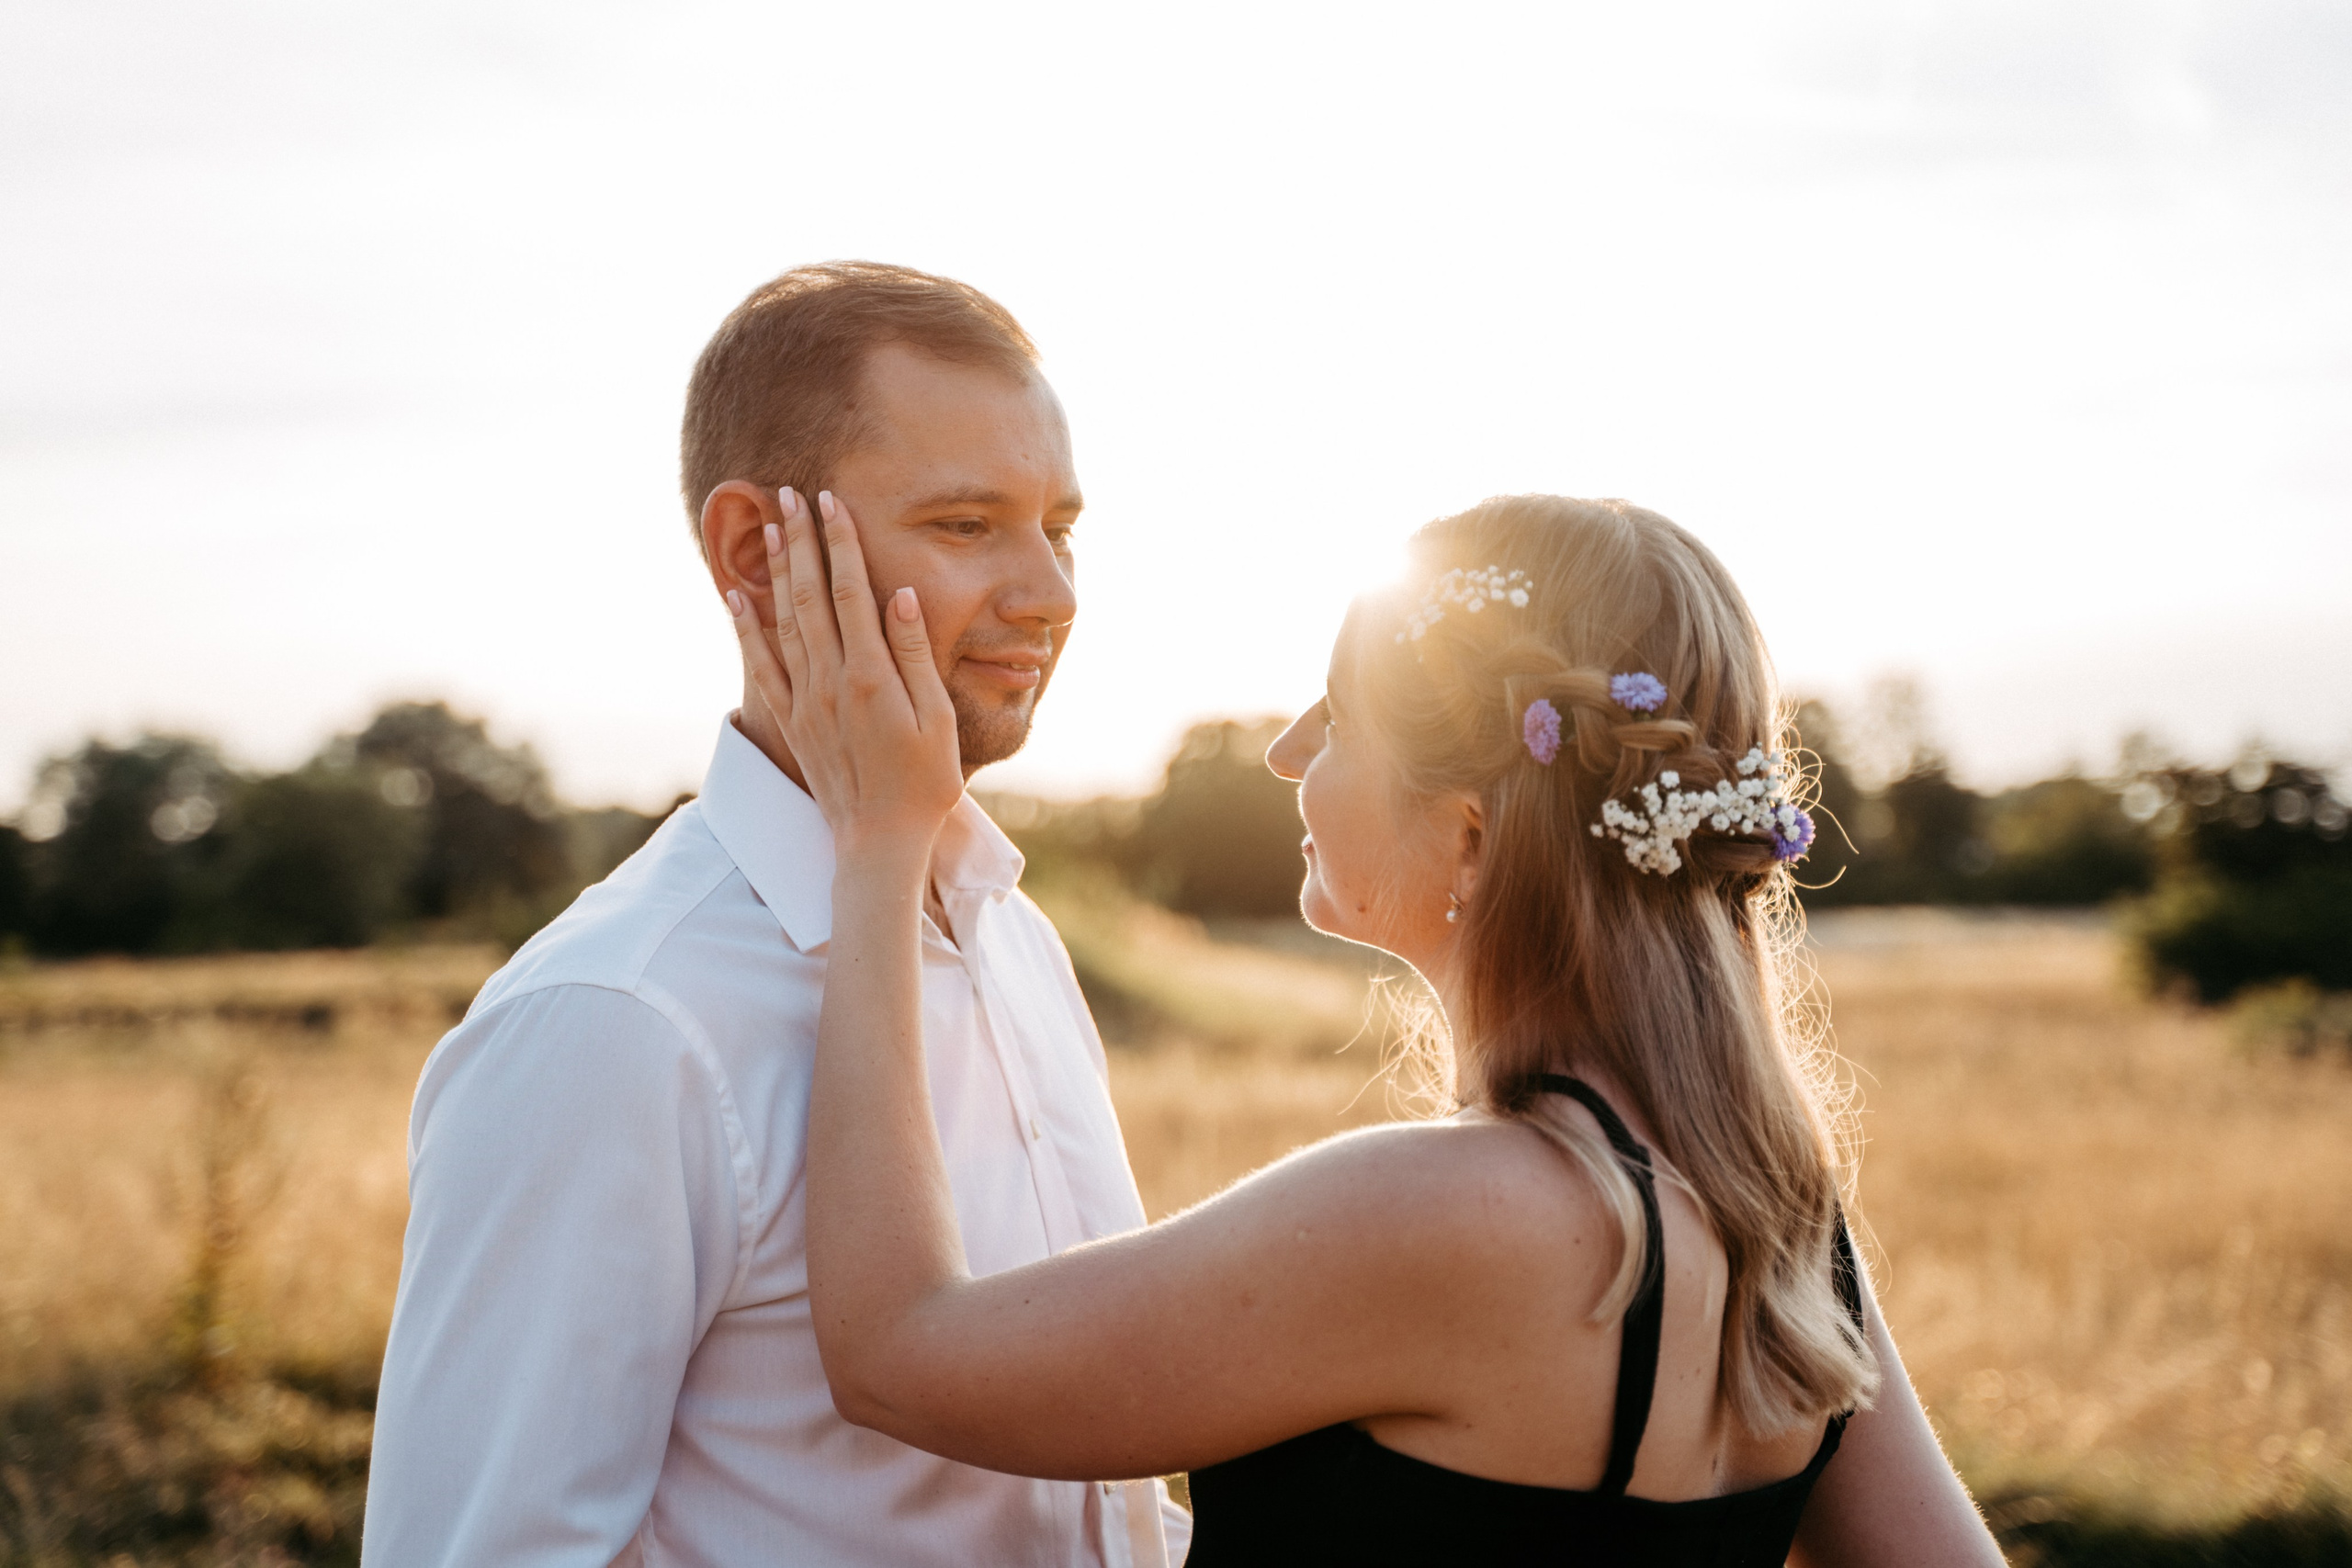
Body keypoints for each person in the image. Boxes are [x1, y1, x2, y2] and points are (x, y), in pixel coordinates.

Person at [734, 489, 2010, 1565]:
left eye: (1340, 712)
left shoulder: (1456, 1213)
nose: (1289, 751)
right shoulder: (1783, 1220)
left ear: (1469, 832)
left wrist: (881, 841)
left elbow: (899, 1358)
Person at [362, 263, 1190, 1566]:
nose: (1050, 594)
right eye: (970, 524)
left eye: (1060, 528)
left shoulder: (1010, 938)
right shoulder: (613, 1022)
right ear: (758, 554)